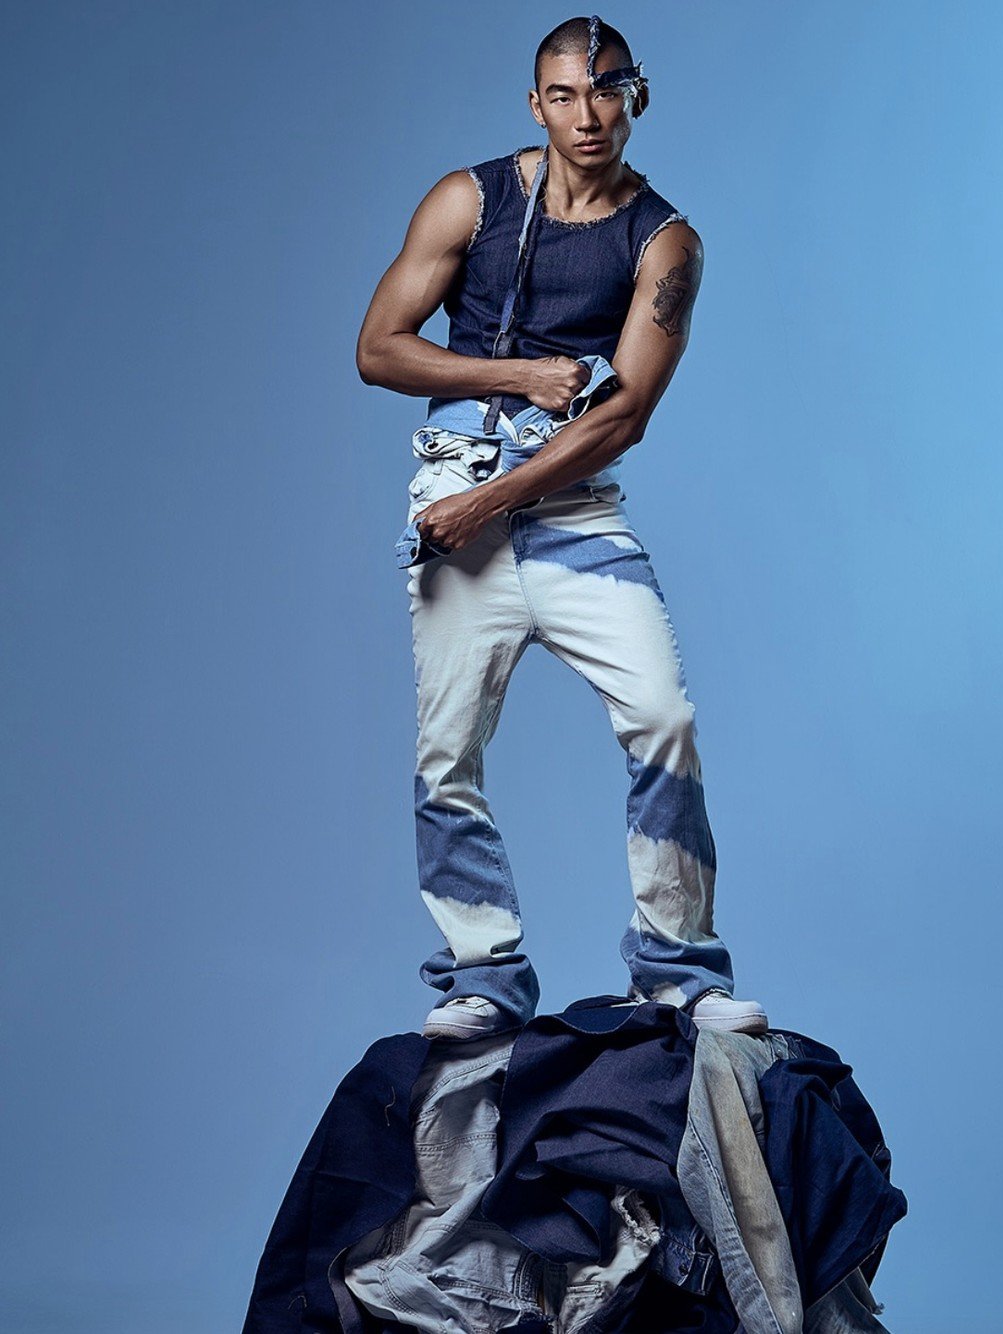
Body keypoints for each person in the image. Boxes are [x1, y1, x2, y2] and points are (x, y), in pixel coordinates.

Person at [356, 15, 768, 1040]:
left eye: (608, 89)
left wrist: (490, 504)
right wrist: (518, 375)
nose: (589, 114)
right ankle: (482, 976)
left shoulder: (665, 241)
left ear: (638, 95)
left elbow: (623, 416)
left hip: (566, 512)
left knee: (663, 718)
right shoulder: (470, 199)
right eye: (566, 95)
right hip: (458, 488)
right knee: (446, 750)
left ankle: (679, 970)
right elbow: (378, 348)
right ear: (536, 104)